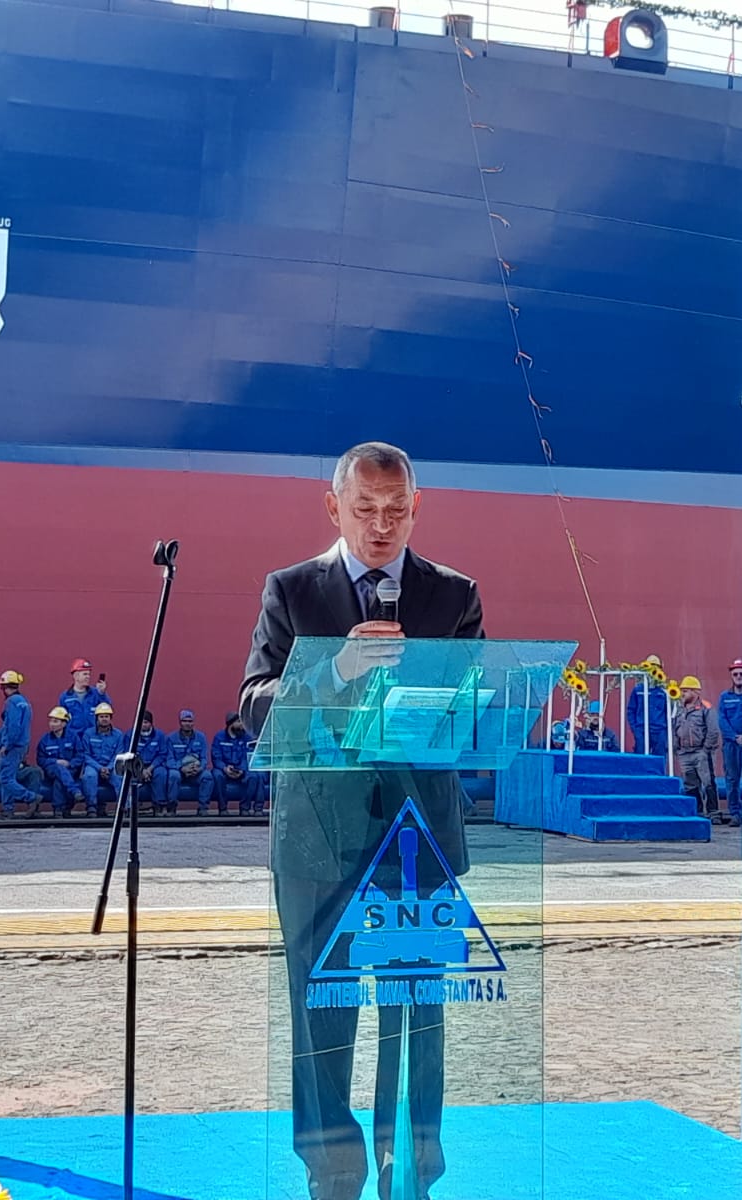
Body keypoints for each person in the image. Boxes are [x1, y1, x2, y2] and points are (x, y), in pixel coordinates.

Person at [239, 441, 483, 1200]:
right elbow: (254, 706)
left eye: (396, 510)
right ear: (334, 507)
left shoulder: (454, 595)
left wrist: (445, 700)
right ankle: (333, 1169)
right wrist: (334, 670)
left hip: (417, 837)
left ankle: (410, 1167)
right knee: (323, 1013)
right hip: (317, 839)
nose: (381, 526)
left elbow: (477, 707)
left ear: (417, 508)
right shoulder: (291, 591)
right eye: (365, 509)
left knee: (418, 1014)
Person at [0, 670, 41, 818]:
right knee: (9, 777)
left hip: (12, 746)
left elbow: (13, 726)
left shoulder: (11, 702)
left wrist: (6, 745)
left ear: (4, 687)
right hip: (21, 745)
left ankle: (31, 798)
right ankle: (7, 809)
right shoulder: (24, 701)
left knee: (5, 778)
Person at [672, 678, 720, 822]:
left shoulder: (706, 708)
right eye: (682, 691)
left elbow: (713, 731)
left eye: (685, 691)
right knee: (690, 785)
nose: (682, 694)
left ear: (696, 692)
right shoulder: (678, 709)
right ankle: (696, 812)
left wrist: (706, 749)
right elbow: (674, 729)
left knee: (708, 782)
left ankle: (714, 813)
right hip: (684, 753)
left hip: (701, 752)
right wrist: (677, 749)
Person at [0, 729, 45, 818]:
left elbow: (24, 752)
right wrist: (8, 754)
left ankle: (33, 808)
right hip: (2, 767)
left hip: (19, 767)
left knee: (35, 772)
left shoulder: (23, 734)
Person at [36, 705, 88, 817]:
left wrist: (70, 763)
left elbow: (80, 755)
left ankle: (59, 809)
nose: (51, 724)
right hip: (51, 770)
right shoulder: (45, 739)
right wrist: (55, 761)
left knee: (59, 780)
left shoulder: (73, 737)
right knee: (59, 768)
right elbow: (40, 759)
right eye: (51, 721)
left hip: (70, 769)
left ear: (64, 723)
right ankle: (74, 792)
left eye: (55, 721)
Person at [82, 702, 129, 817]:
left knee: (120, 777)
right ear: (97, 718)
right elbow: (86, 755)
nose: (104, 719)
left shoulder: (118, 735)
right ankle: (92, 807)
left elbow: (119, 755)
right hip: (93, 766)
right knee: (89, 776)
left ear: (110, 718)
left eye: (106, 716)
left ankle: (124, 808)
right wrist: (100, 768)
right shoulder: (88, 734)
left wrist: (108, 768)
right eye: (101, 716)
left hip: (112, 766)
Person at [164, 709, 215, 815]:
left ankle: (203, 808)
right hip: (179, 770)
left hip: (196, 771)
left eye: (190, 721)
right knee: (173, 775)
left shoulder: (201, 737)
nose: (187, 724)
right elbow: (169, 760)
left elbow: (204, 758)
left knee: (207, 776)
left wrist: (200, 768)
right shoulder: (171, 738)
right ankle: (172, 808)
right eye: (184, 721)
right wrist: (181, 768)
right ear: (180, 722)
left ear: (193, 722)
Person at [210, 711, 260, 815]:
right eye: (239, 722)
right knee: (217, 775)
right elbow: (216, 757)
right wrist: (225, 768)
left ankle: (245, 808)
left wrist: (241, 770)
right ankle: (223, 808)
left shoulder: (246, 737)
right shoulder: (219, 737)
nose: (242, 725)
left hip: (241, 770)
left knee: (253, 776)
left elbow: (248, 756)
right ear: (231, 724)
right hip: (224, 770)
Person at [718, 660, 742, 827]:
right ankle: (735, 813)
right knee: (732, 780)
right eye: (735, 674)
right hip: (731, 745)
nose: (738, 676)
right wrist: (735, 737)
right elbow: (722, 720)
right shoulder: (725, 697)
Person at [58, 658, 111, 740]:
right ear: (76, 676)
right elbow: (61, 720)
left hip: (93, 738)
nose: (88, 677)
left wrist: (102, 694)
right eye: (85, 674)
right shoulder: (65, 697)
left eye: (89, 674)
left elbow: (108, 709)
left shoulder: (96, 693)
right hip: (74, 739)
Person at [626, 655, 668, 756]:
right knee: (641, 759)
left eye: (656, 667)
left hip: (659, 731)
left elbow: (669, 712)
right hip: (641, 730)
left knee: (659, 759)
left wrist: (665, 730)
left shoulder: (664, 691)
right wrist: (635, 729)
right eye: (651, 666)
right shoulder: (638, 690)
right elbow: (631, 710)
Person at [134, 711, 170, 814]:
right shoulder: (131, 735)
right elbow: (130, 754)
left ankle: (159, 805)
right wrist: (141, 770)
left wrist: (149, 769)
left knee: (161, 773)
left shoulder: (159, 735)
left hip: (154, 765)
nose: (143, 725)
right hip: (136, 765)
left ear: (151, 723)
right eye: (141, 722)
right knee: (129, 775)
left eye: (146, 722)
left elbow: (162, 754)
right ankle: (131, 806)